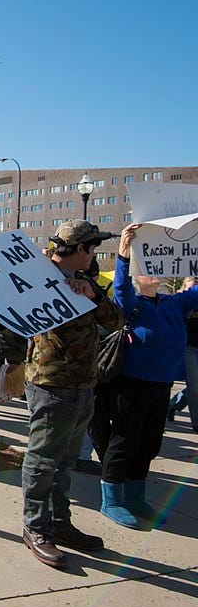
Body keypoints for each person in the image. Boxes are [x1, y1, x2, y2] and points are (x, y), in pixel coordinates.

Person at [16, 220, 123, 569]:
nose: (95, 255)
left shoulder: (87, 282)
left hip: (83, 386)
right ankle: (35, 528)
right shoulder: (36, 277)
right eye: (92, 248)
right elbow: (8, 318)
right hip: (51, 386)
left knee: (65, 461)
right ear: (79, 249)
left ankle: (60, 524)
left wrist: (94, 296)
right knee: (43, 460)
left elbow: (116, 321)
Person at [96, 224, 198, 528]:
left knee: (150, 441)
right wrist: (125, 253)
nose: (152, 272)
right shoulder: (132, 305)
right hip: (131, 383)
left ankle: (136, 496)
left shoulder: (173, 304)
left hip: (162, 383)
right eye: (145, 267)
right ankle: (111, 499)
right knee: (125, 439)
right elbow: (120, 293)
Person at [166, 276, 198, 432]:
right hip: (188, 348)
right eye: (189, 288)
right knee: (194, 385)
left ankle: (174, 404)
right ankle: (196, 423)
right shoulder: (177, 304)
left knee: (196, 386)